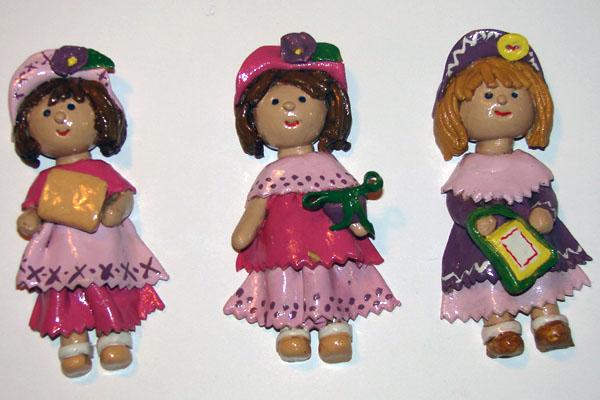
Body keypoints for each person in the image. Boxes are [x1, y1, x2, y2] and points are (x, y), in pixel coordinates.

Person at [224, 32, 399, 364]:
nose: (290, 106)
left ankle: (335, 328)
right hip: (283, 248)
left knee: (326, 277)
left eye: (304, 99)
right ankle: (292, 330)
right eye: (275, 102)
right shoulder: (271, 175)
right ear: (253, 119)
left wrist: (357, 222)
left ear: (329, 109)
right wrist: (243, 232)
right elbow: (257, 207)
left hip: (328, 246)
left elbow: (346, 199)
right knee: (285, 280)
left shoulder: (328, 166)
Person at [9, 46, 168, 377]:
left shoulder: (100, 171)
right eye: (48, 112)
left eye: (71, 107)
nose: (61, 118)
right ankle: (74, 343)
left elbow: (123, 195)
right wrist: (30, 219)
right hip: (61, 254)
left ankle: (114, 338)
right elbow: (34, 209)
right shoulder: (47, 179)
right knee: (66, 295)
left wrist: (117, 208)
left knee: (107, 290)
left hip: (103, 247)